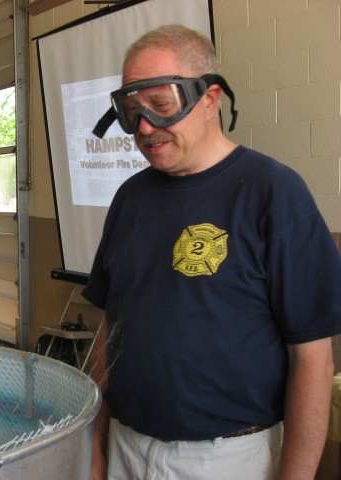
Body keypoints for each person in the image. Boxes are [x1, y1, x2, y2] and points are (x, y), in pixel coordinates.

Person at [83, 24, 341, 480]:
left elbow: (314, 358)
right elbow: (110, 329)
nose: (145, 128)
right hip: (125, 445)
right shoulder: (129, 198)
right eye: (131, 111)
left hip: (227, 460)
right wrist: (95, 448)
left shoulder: (274, 193)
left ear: (210, 99)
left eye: (161, 106)